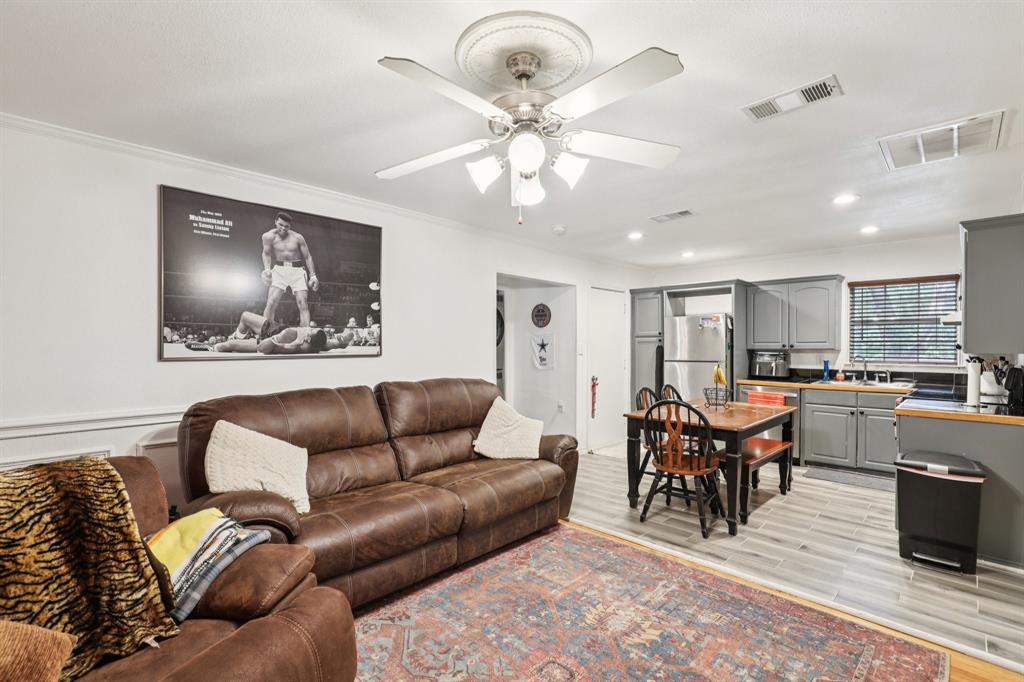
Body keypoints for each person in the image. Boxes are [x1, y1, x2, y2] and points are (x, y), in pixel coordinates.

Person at [261, 212, 318, 327]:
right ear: (275, 222)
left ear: (290, 226)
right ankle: (265, 334)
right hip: (279, 269)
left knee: (303, 303)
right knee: (271, 302)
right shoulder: (268, 236)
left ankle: (304, 334)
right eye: (280, 225)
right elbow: (266, 254)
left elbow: (307, 256)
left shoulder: (297, 237)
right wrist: (267, 269)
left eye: (286, 226)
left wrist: (313, 275)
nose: (283, 228)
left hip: (297, 270)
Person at [211, 311, 328, 355]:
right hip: (277, 329)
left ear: (308, 339)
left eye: (310, 331)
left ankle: (214, 347)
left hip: (272, 338)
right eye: (313, 329)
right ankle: (235, 337)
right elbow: (339, 342)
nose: (309, 329)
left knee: (229, 345)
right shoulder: (319, 343)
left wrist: (276, 339)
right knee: (245, 315)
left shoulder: (296, 346)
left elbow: (263, 348)